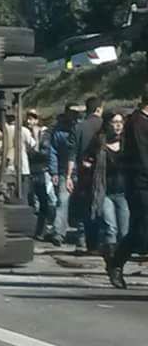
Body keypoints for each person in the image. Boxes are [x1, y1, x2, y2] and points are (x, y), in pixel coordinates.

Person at [107, 97, 148, 289]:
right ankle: (116, 262)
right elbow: (141, 156)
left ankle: (116, 261)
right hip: (141, 183)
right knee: (141, 230)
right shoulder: (137, 122)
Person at [85, 111, 129, 268]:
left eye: (120, 122)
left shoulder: (127, 143)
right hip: (104, 191)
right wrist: (88, 165)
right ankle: (111, 261)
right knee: (111, 227)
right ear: (107, 124)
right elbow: (87, 158)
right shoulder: (99, 142)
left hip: (124, 191)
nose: (118, 125)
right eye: (114, 122)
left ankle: (119, 261)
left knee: (124, 231)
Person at [67, 96, 104, 252]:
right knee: (102, 206)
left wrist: (68, 176)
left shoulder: (79, 127)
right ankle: (105, 241)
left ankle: (86, 242)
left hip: (84, 173)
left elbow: (72, 154)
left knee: (84, 207)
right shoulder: (104, 125)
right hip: (103, 172)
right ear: (98, 109)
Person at [47, 103, 80, 247]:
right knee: (62, 201)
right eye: (72, 112)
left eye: (76, 112)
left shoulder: (81, 128)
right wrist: (53, 171)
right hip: (62, 171)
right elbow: (53, 152)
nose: (75, 115)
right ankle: (59, 233)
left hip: (81, 171)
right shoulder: (58, 131)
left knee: (81, 203)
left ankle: (82, 235)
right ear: (66, 112)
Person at [26, 109, 56, 241]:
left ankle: (44, 229)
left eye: (33, 118)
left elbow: (44, 153)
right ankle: (35, 229)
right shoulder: (25, 132)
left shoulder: (45, 134)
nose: (29, 121)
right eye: (28, 118)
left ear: (38, 120)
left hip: (42, 171)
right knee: (32, 200)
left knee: (46, 200)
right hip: (30, 170)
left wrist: (35, 145)